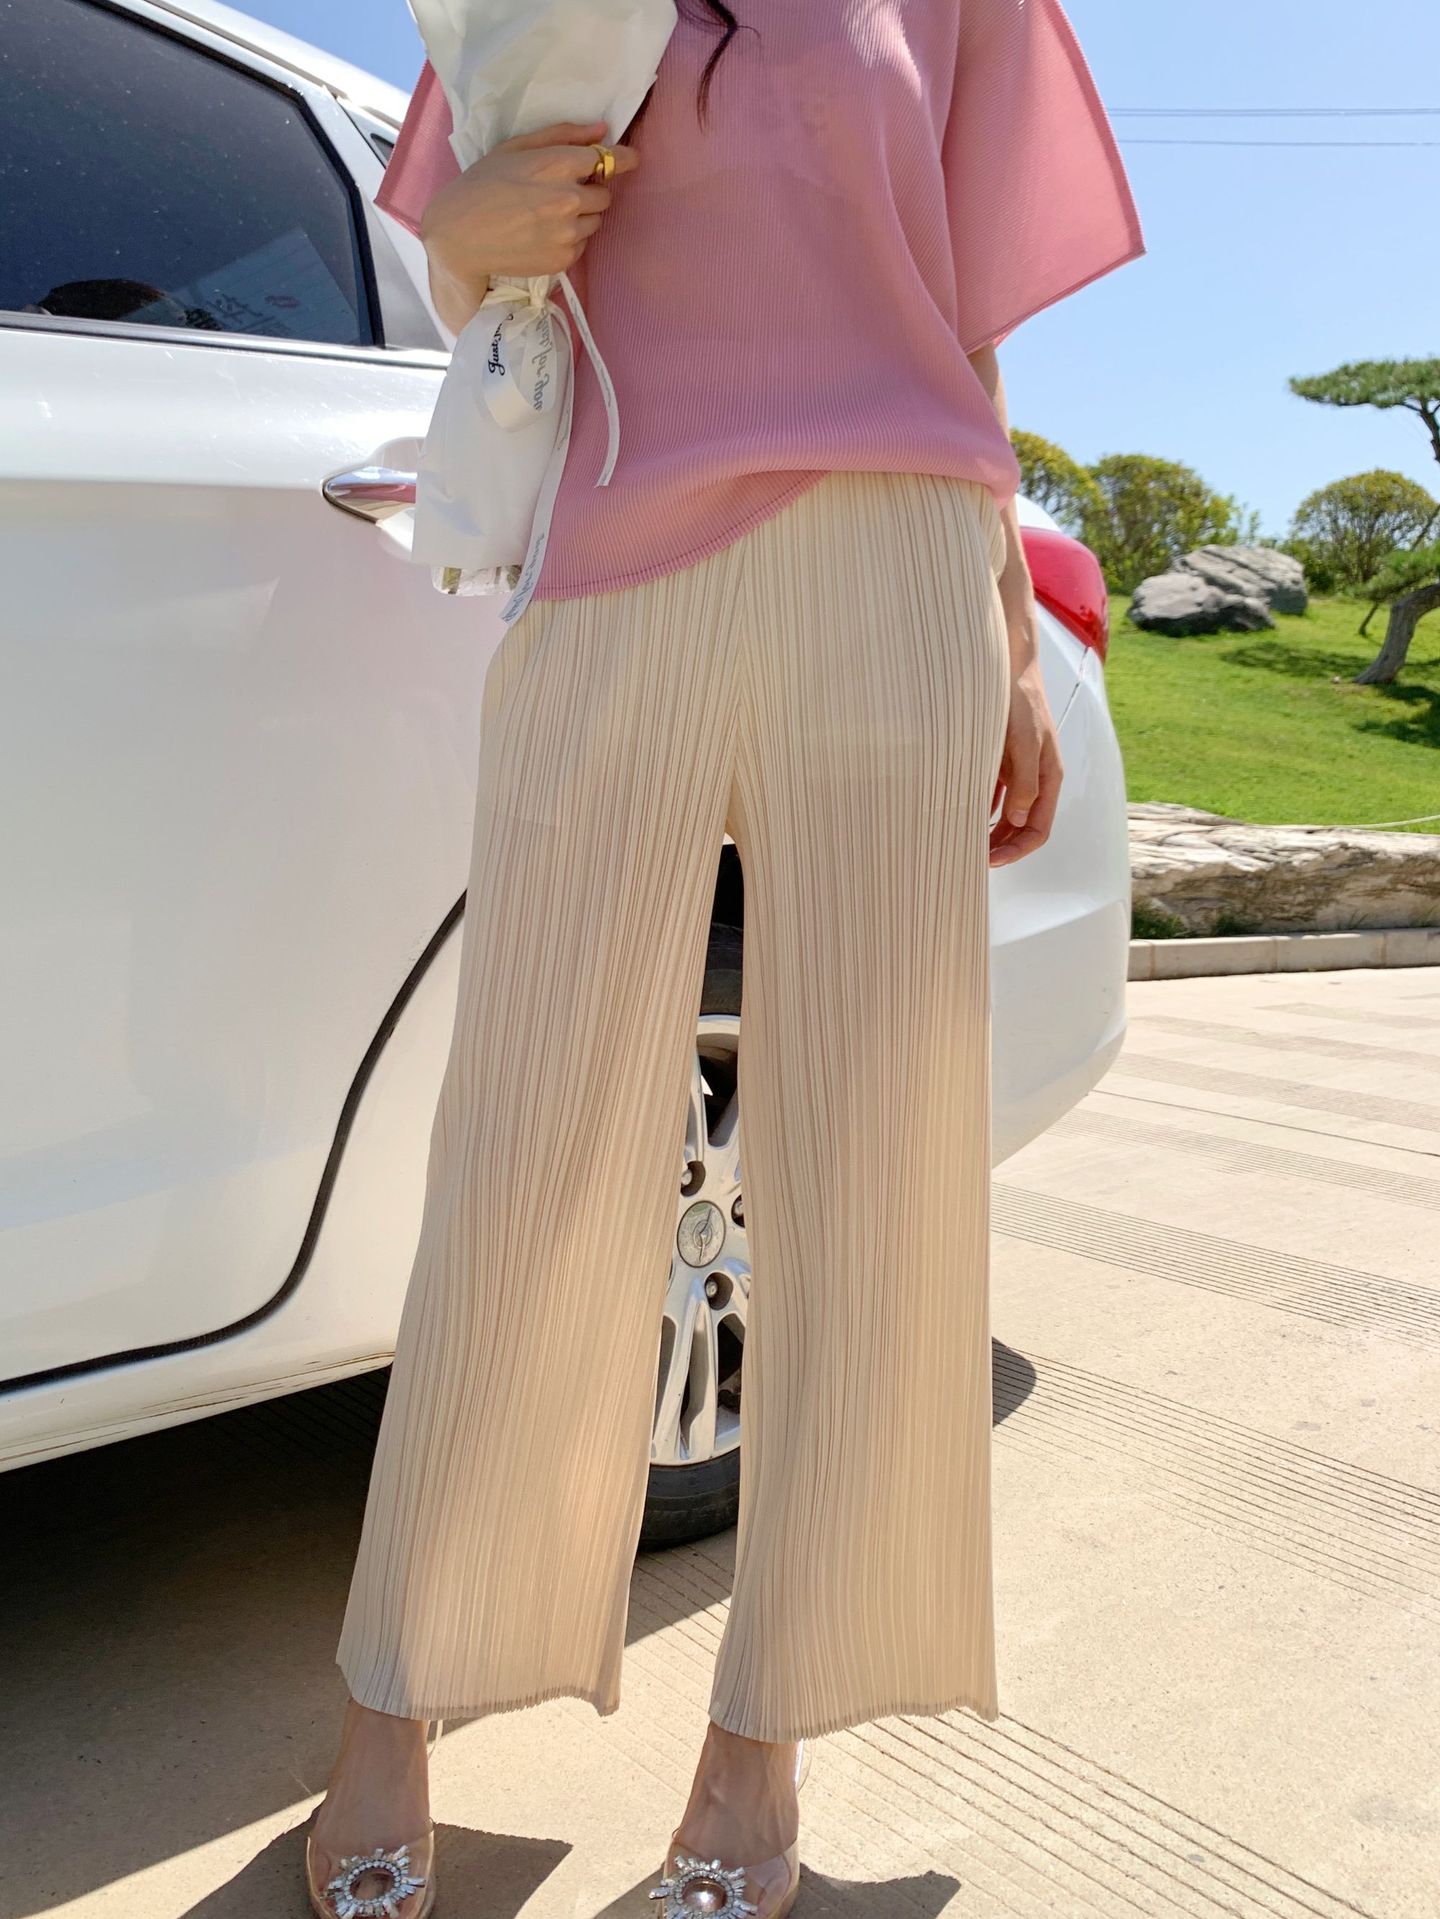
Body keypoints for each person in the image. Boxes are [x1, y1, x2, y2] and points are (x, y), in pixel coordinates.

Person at [306, 2, 1143, 1914]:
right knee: (522, 1158)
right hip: (614, 575)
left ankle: (764, 1744)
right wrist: (468, 239)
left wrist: (1010, 629)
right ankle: (395, 1701)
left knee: (870, 1180)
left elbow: (966, 319)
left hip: (896, 571)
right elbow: (474, 268)